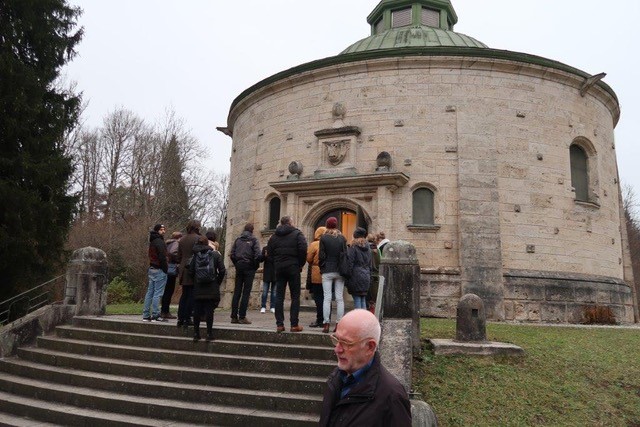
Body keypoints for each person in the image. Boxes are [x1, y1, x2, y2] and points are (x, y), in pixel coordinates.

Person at [319, 309, 412, 427]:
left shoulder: (392, 396)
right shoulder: (336, 377)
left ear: (370, 347)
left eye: (346, 343)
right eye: (336, 340)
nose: (337, 349)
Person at [266, 215, 308, 333]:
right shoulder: (297, 234)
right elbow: (303, 249)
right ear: (290, 223)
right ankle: (294, 325)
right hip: (293, 267)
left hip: (279, 268)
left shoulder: (274, 237)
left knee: (279, 296)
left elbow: (269, 253)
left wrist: (276, 263)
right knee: (295, 296)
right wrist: (300, 264)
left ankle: (280, 324)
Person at [189, 236, 225, 342]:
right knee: (209, 311)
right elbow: (222, 270)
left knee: (197, 311)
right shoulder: (215, 255)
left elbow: (191, 271)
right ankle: (209, 334)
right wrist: (217, 281)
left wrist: (196, 281)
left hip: (198, 287)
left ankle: (196, 333)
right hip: (211, 287)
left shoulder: (195, 256)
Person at [319, 217, 347, 334]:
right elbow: (345, 254)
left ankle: (326, 324)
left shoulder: (324, 238)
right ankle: (339, 323)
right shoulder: (342, 238)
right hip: (340, 270)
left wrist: (322, 266)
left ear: (327, 225)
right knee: (340, 298)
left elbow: (321, 255)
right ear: (336, 225)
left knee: (327, 298)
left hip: (327, 270)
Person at [229, 223, 262, 324]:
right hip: (249, 267)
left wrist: (237, 263)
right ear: (252, 230)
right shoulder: (254, 240)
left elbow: (232, 254)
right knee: (246, 292)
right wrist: (255, 265)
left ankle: (234, 316)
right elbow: (257, 255)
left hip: (239, 266)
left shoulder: (238, 240)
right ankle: (242, 316)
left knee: (237, 291)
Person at [177, 219, 201, 328]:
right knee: (191, 294)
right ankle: (187, 317)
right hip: (192, 268)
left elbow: (179, 256)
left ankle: (180, 317)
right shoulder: (197, 238)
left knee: (184, 294)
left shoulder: (182, 239)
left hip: (183, 268)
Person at [142, 224, 168, 322]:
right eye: (161, 229)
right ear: (157, 231)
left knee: (150, 292)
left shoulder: (152, 241)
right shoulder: (159, 242)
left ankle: (146, 314)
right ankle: (156, 314)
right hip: (159, 269)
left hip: (152, 268)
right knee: (158, 293)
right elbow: (162, 257)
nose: (164, 231)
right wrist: (165, 269)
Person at [346, 227, 372, 310]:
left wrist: (347, 276)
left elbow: (350, 262)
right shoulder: (368, 248)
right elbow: (370, 263)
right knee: (363, 299)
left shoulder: (353, 247)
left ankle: (359, 320)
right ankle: (364, 320)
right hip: (366, 275)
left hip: (356, 275)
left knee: (357, 299)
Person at [306, 226, 326, 327]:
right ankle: (327, 318)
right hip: (327, 272)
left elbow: (309, 258)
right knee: (327, 298)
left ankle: (320, 319)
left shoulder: (314, 244)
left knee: (318, 298)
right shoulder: (328, 243)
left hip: (316, 273)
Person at [161, 231, 182, 319]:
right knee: (169, 291)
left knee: (166, 291)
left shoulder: (167, 243)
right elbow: (173, 253)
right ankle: (165, 311)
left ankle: (164, 310)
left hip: (166, 268)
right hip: (171, 269)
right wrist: (178, 260)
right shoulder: (176, 243)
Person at [366, 233, 381, 313]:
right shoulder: (377, 250)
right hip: (375, 275)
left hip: (368, 274)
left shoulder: (365, 249)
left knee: (367, 296)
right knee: (374, 298)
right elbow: (379, 262)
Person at [260, 246, 276, 314]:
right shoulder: (265, 248)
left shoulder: (277, 248)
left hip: (275, 273)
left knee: (274, 292)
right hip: (267, 273)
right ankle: (263, 306)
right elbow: (261, 259)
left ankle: (273, 307)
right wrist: (264, 256)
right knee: (265, 291)